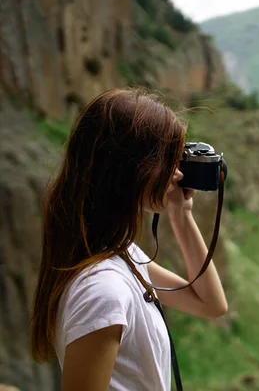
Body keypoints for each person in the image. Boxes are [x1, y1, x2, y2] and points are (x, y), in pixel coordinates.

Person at [28, 88, 228, 391]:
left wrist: (181, 215)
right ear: (131, 171)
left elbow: (211, 304)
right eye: (167, 160)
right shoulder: (102, 290)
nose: (176, 174)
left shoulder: (121, 256)